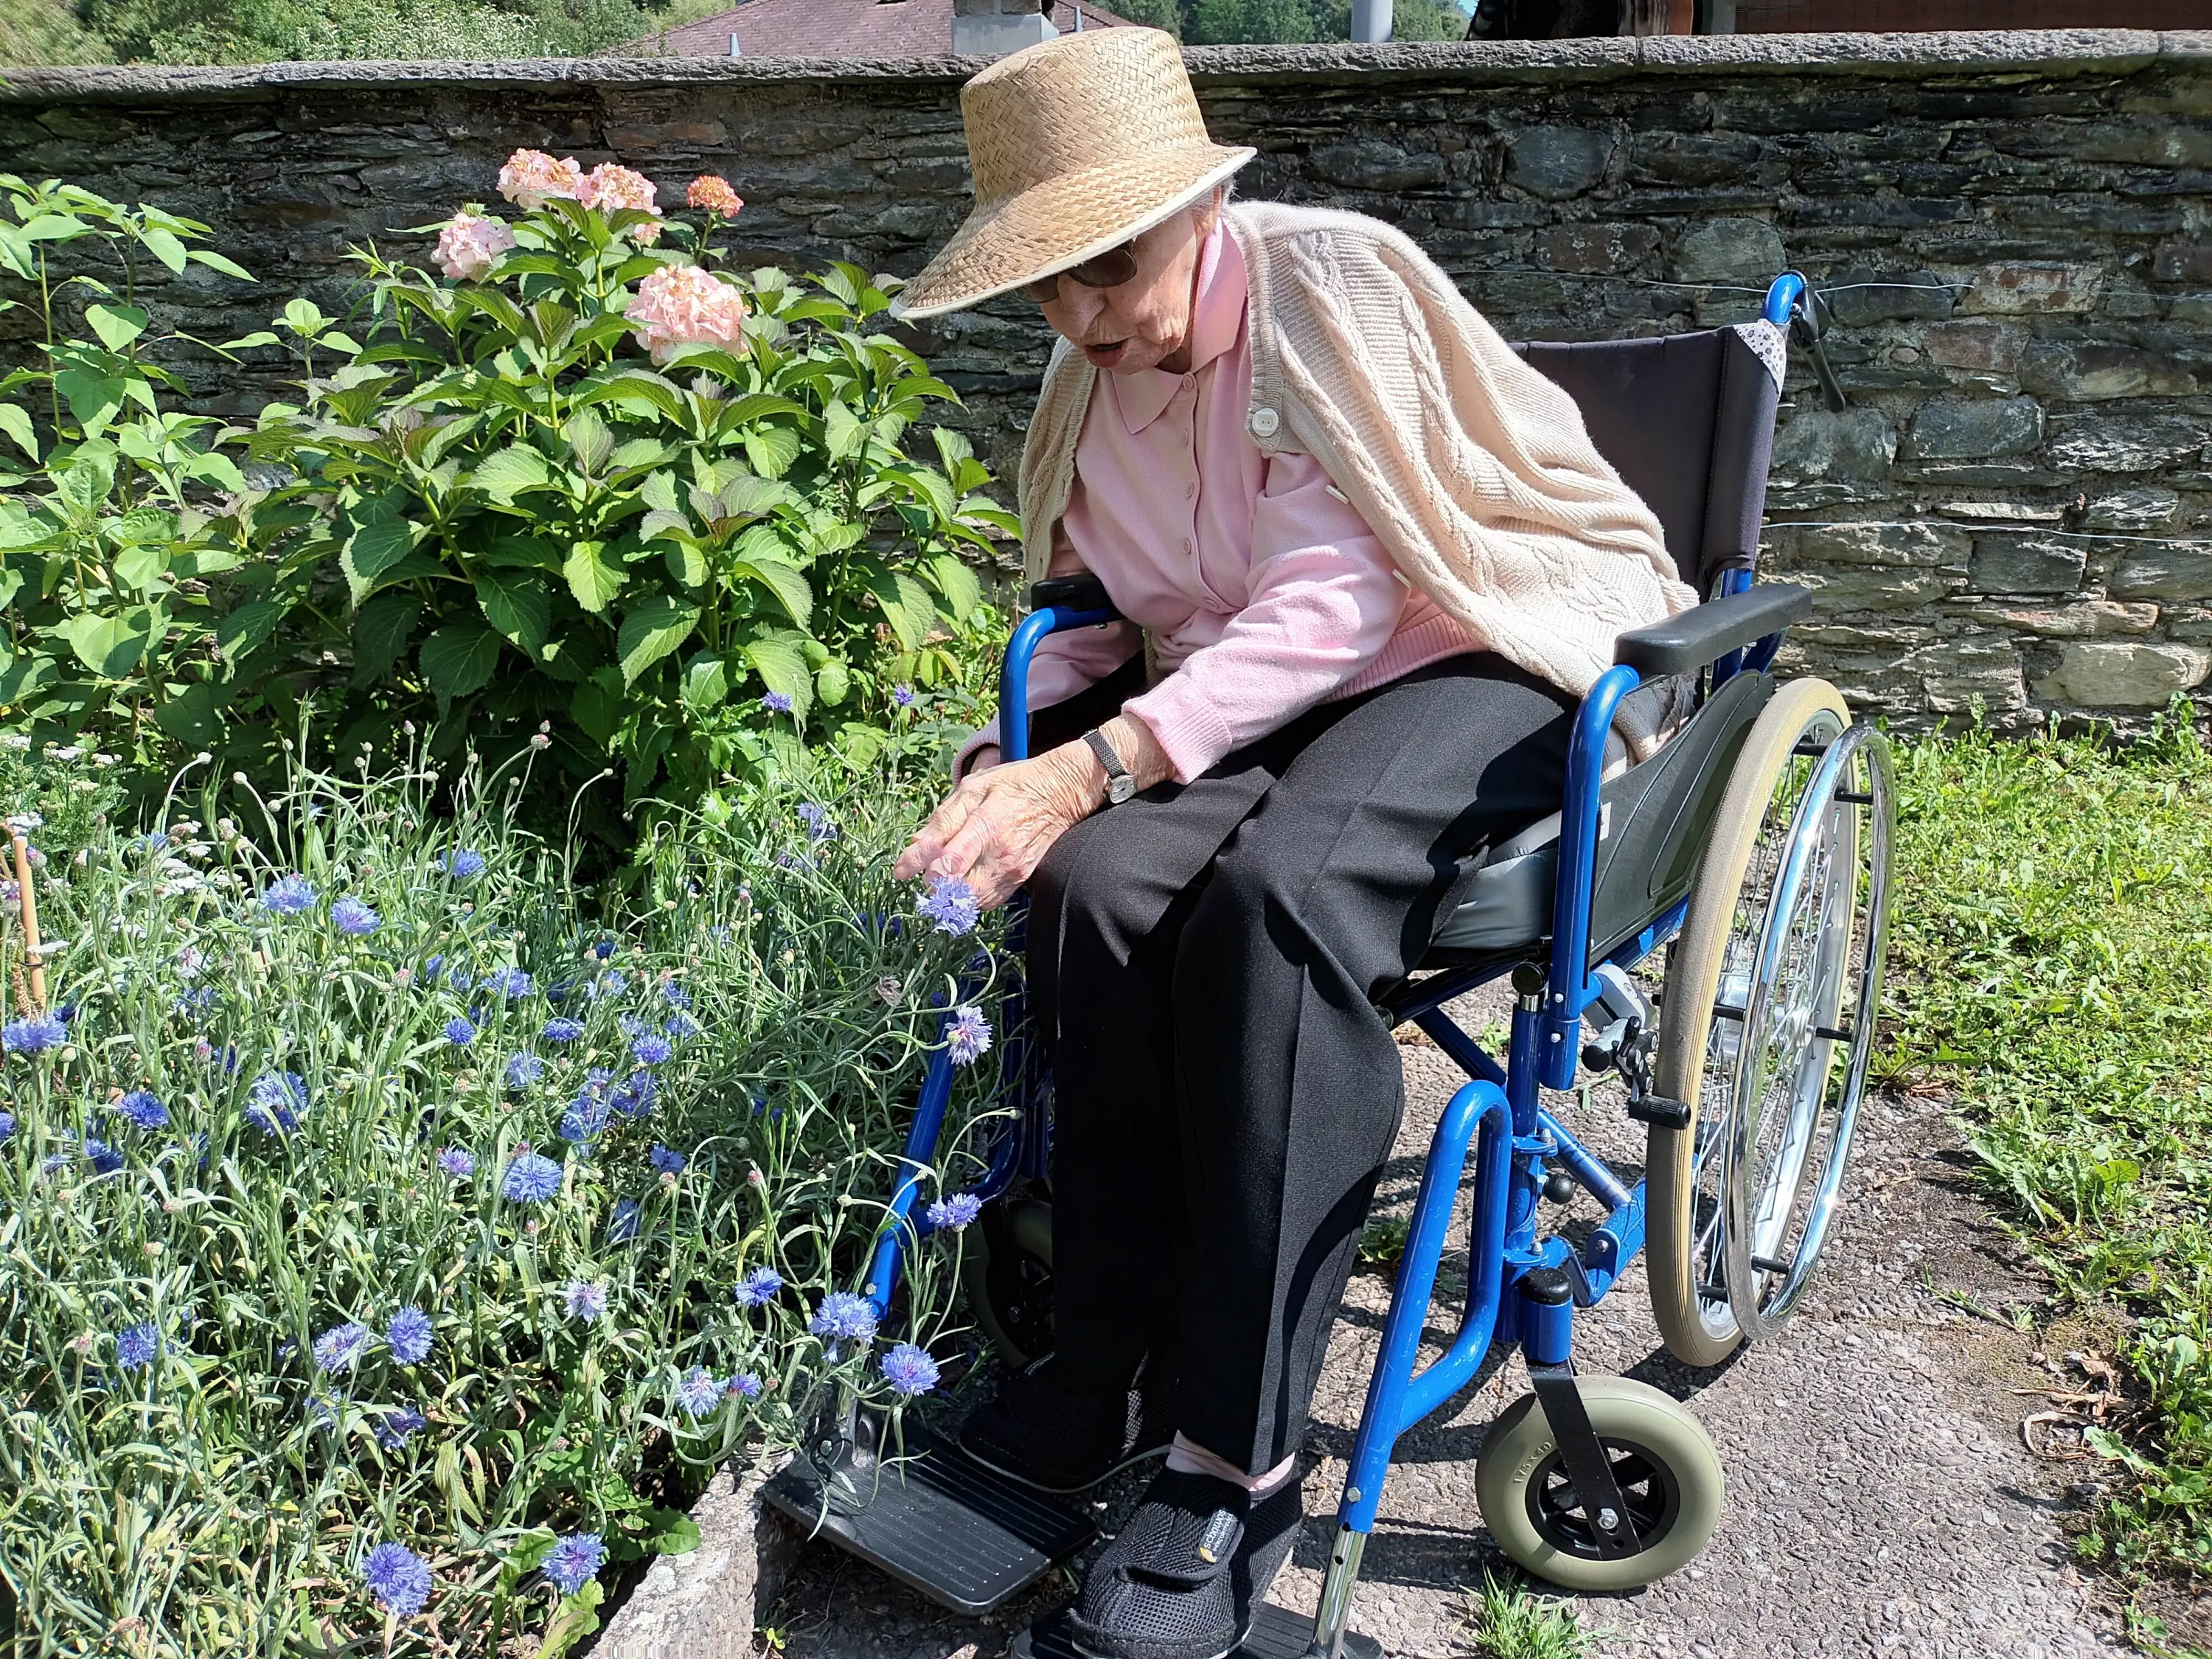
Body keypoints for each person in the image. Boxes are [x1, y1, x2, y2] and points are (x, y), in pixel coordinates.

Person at [889, 27, 1691, 1659]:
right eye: (1045, 289)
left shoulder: (1330, 287)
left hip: (1483, 641)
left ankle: (1235, 1462)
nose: (1082, 318)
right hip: (1271, 687)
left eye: (1105, 271)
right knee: (1095, 890)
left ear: (1196, 209)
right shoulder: (1092, 377)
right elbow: (1101, 607)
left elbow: (1344, 597)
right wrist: (1016, 752)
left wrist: (1106, 761)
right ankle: (1102, 1361)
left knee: (1281, 900)